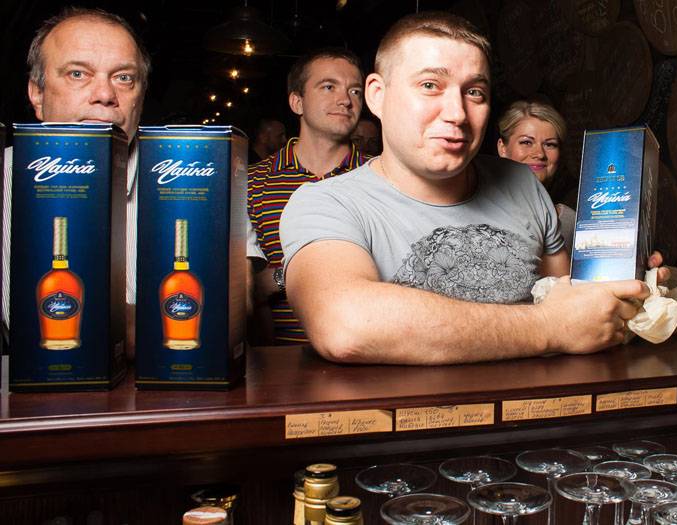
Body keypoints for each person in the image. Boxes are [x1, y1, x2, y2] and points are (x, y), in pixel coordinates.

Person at [279, 12, 651, 365]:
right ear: (376, 95)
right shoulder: (326, 203)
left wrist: (628, 285)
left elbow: (571, 301)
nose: (457, 113)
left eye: (474, 92)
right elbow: (344, 324)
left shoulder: (523, 184)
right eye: (430, 86)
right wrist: (549, 327)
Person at [2, 7, 150, 352]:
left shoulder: (195, 179)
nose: (105, 94)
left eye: (123, 77)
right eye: (78, 73)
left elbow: (229, 313)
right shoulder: (6, 175)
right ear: (37, 93)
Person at [247, 47, 368, 344]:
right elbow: (244, 288)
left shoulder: (382, 177)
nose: (345, 100)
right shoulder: (254, 182)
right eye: (329, 87)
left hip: (368, 354)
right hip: (279, 358)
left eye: (355, 91)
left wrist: (284, 276)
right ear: (297, 102)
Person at [496, 100, 576, 248]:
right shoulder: (478, 209)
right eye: (526, 142)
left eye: (550, 144)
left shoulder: (569, 221)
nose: (539, 154)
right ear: (503, 148)